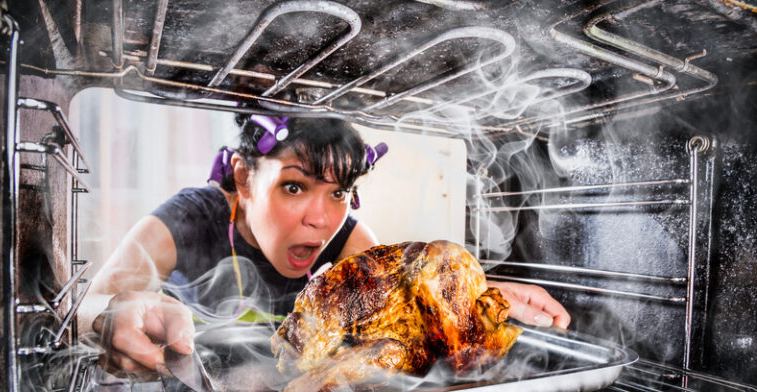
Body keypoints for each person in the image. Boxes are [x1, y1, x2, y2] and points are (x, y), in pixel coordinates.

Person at [79, 114, 570, 376]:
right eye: (294, 187)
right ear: (245, 179)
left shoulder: (347, 236)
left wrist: (479, 301)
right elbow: (86, 307)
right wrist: (107, 317)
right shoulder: (188, 220)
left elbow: (410, 313)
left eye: (337, 192)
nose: (321, 218)